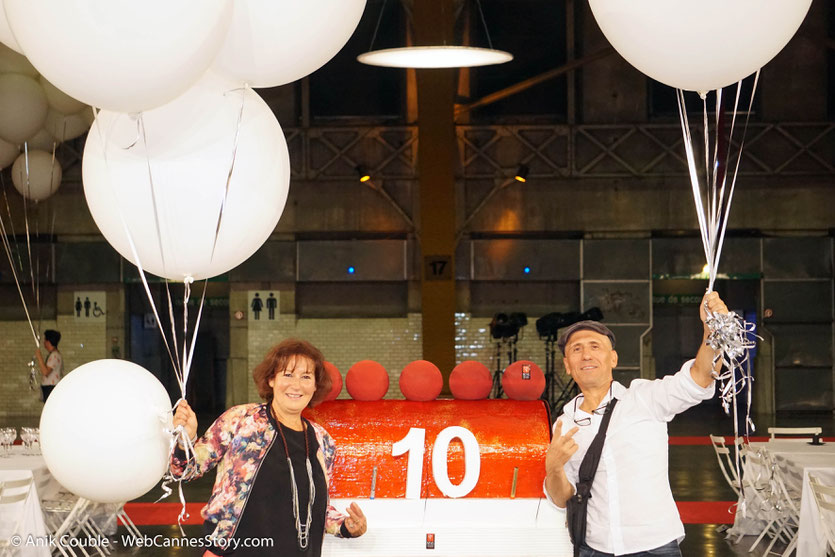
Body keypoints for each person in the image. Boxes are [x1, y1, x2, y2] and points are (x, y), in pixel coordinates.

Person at [544, 291, 728, 557]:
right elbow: (562, 498)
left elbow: (699, 377)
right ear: (567, 366)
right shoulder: (564, 423)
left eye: (595, 347)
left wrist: (713, 330)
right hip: (594, 548)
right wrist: (554, 467)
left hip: (655, 545)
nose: (586, 355)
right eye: (577, 349)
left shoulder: (644, 398)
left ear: (614, 359)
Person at [171, 338, 367, 556]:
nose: (296, 385)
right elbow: (184, 471)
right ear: (272, 379)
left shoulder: (323, 442)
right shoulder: (241, 420)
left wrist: (344, 526)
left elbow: (314, 506)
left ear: (315, 386)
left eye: (306, 377)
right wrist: (185, 440)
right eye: (288, 374)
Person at [34, 329, 63, 402]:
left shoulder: (54, 355)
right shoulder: (54, 354)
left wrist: (39, 357)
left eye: (44, 340)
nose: (44, 342)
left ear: (48, 342)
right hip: (49, 387)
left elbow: (46, 372)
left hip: (51, 387)